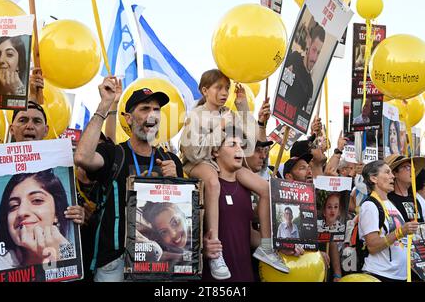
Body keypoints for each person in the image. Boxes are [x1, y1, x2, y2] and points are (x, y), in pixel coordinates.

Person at [180, 69, 288, 279]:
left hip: (222, 163)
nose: (223, 92)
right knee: (212, 182)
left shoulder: (227, 113)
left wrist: (242, 106)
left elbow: (247, 143)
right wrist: (220, 129)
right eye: (218, 87)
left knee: (265, 188)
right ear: (205, 90)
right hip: (198, 163)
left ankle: (266, 246)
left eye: (226, 88)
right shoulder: (196, 115)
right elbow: (193, 152)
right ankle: (215, 249)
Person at [74, 77, 184, 282]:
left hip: (155, 259)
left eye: (156, 109)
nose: (152, 114)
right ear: (128, 118)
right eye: (144, 109)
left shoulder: (171, 161)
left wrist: (176, 182)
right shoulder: (113, 154)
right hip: (114, 260)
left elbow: (181, 213)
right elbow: (82, 157)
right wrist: (105, 104)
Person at [202, 126, 265, 281]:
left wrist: (283, 243)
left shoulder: (246, 187)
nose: (239, 149)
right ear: (215, 151)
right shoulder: (205, 186)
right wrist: (202, 247)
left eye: (241, 145)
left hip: (245, 275)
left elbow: (247, 235)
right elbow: (189, 235)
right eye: (232, 144)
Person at [0, 169, 73, 270]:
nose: (21, 212)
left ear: (57, 213)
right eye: (13, 206)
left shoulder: (69, 249)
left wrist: (61, 258)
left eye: (37, 200)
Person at [360, 160, 419, 281]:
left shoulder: (390, 204)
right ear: (373, 178)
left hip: (399, 275)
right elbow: (372, 246)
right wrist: (400, 232)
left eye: (391, 172)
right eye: (387, 172)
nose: (392, 176)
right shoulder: (369, 206)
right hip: (380, 275)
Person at [282, 21, 326, 112]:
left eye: (318, 53)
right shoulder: (293, 58)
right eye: (314, 50)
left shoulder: (310, 86)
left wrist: (313, 126)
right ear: (309, 45)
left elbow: (306, 113)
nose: (315, 58)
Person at [386, 155, 424, 223]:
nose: (412, 171)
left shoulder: (415, 200)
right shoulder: (388, 200)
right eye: (407, 167)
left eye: (413, 168)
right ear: (395, 173)